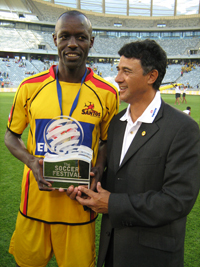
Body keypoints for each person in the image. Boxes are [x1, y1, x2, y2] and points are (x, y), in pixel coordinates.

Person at [4, 10, 119, 267]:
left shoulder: (107, 93)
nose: (72, 44)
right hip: (35, 205)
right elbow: (11, 136)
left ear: (92, 41)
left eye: (80, 37)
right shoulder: (29, 87)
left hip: (79, 204)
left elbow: (107, 140)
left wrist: (100, 166)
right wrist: (33, 163)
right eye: (65, 36)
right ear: (55, 39)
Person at [76, 39, 200, 267]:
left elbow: (177, 201)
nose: (117, 78)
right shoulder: (116, 124)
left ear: (151, 76)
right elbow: (115, 181)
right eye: (117, 70)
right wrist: (88, 189)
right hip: (112, 251)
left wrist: (112, 204)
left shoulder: (183, 128)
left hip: (152, 257)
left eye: (126, 71)